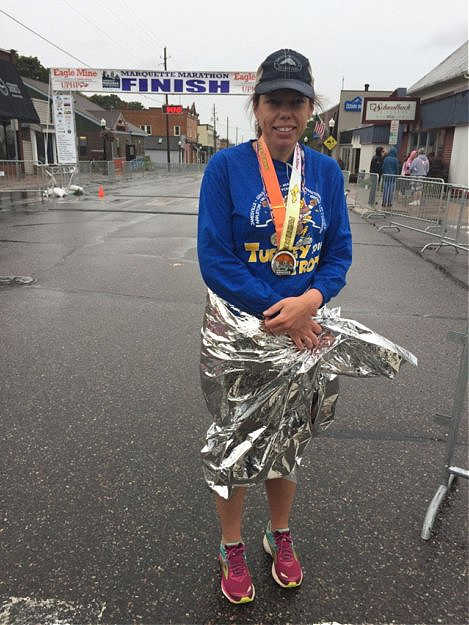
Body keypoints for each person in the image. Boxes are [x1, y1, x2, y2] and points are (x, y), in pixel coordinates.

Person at [197, 49, 352, 604]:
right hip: (243, 331)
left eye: (295, 101)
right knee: (237, 441)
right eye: (273, 101)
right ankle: (232, 544)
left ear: (311, 109)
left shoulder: (327, 172)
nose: (284, 113)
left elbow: (338, 254)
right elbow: (214, 258)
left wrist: (309, 300)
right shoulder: (226, 169)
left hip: (305, 328)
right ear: (256, 108)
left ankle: (278, 533)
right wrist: (279, 311)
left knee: (289, 439)